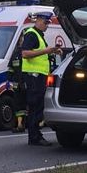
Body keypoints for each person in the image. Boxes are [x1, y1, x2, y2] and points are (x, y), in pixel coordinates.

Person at [20, 13, 60, 146]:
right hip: (34, 76)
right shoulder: (31, 34)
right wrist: (46, 51)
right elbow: (25, 53)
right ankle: (35, 136)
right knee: (35, 106)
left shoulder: (38, 35)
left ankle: (35, 135)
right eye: (46, 23)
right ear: (38, 20)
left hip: (38, 76)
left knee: (37, 106)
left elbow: (39, 53)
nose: (47, 25)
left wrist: (53, 51)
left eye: (48, 23)